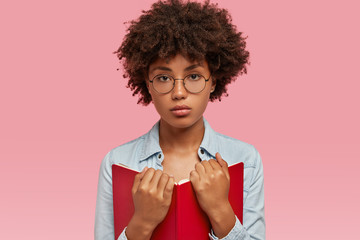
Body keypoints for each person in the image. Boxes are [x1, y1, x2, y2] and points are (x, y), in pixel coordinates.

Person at [95, 0, 265, 239]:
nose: (179, 92)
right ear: (147, 84)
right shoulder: (117, 163)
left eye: (194, 75)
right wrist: (142, 223)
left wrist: (220, 211)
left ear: (213, 81)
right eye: (164, 78)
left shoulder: (246, 160)